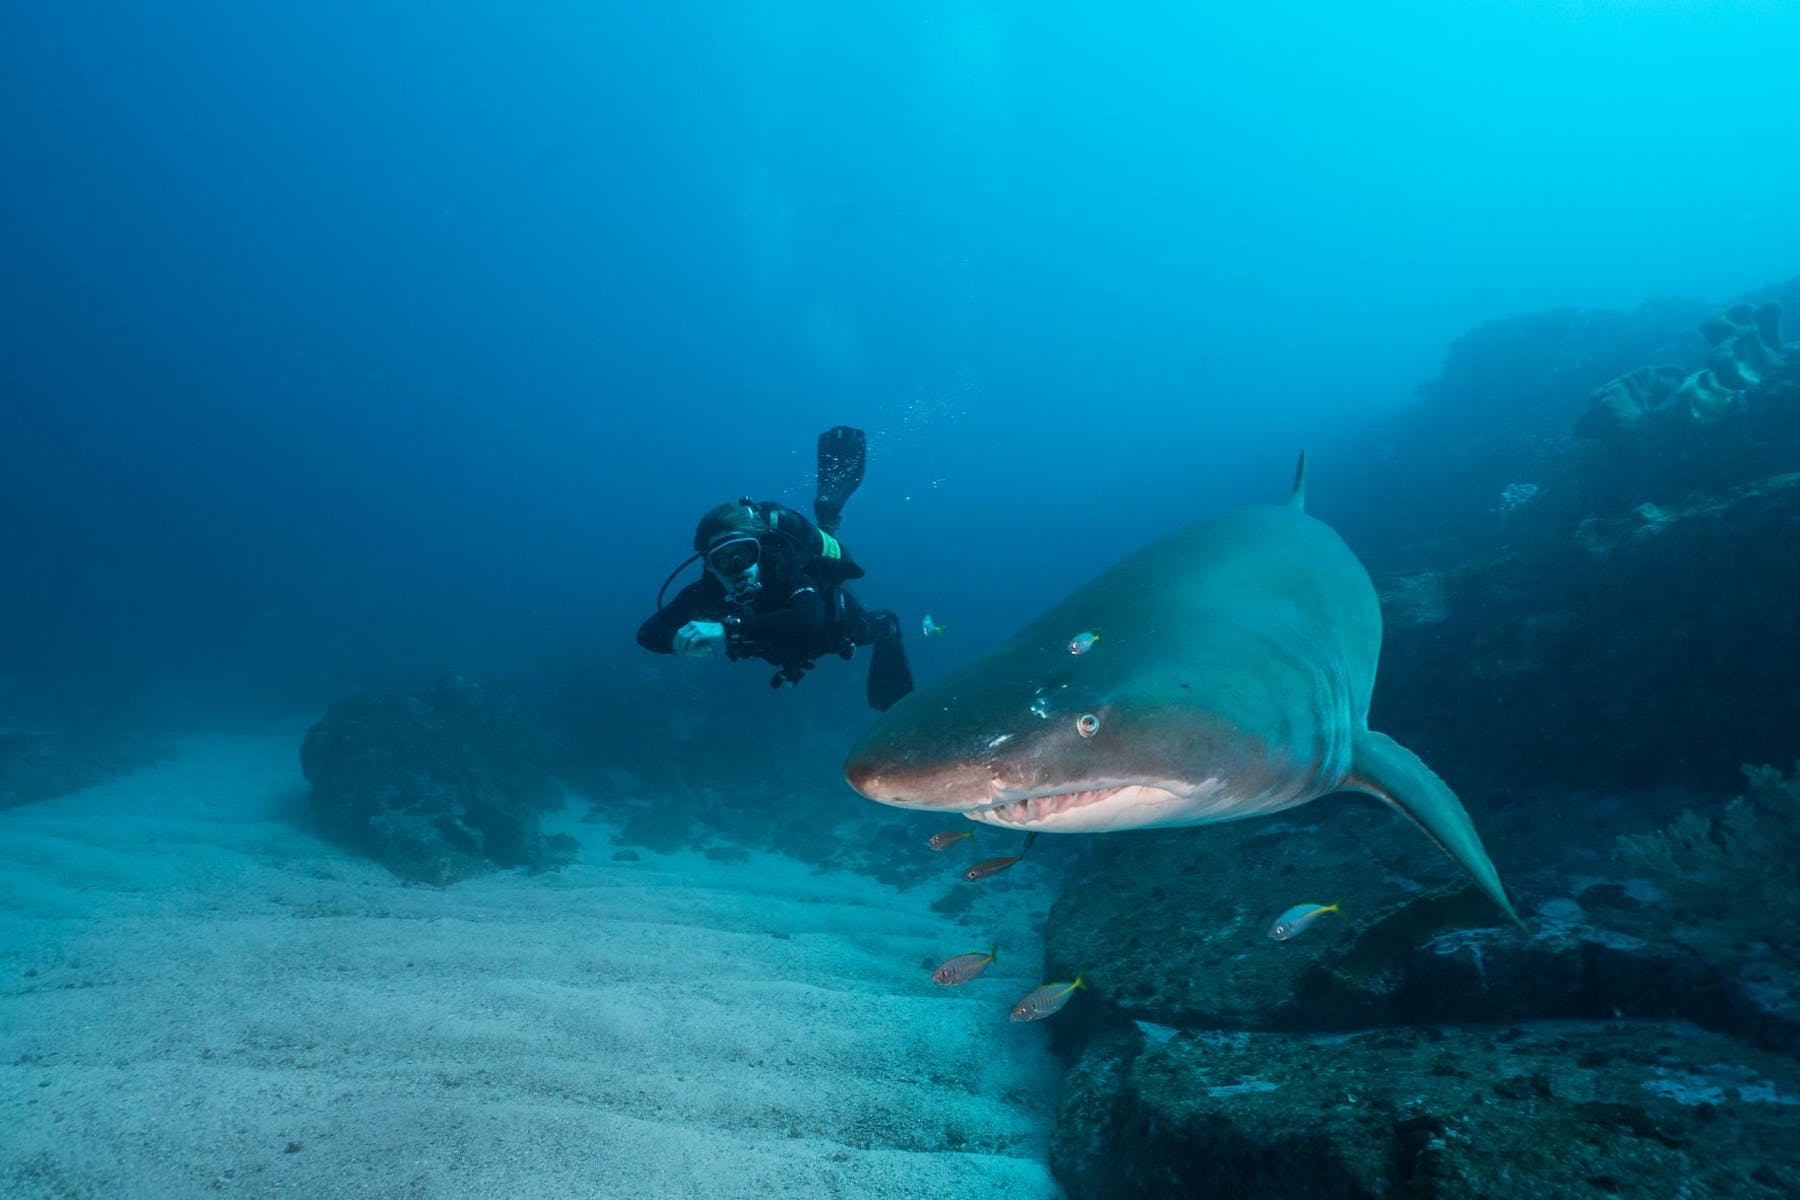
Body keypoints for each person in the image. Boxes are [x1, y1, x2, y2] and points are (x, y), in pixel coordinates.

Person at [636, 426, 915, 711]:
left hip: (831, 630)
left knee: (866, 629)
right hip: (782, 650)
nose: (737, 567)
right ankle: (827, 519)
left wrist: (727, 630)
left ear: (759, 550)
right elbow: (648, 633)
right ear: (709, 565)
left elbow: (809, 619)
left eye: (744, 553)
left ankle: (885, 622)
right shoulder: (709, 590)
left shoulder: (783, 567)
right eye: (724, 559)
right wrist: (678, 640)